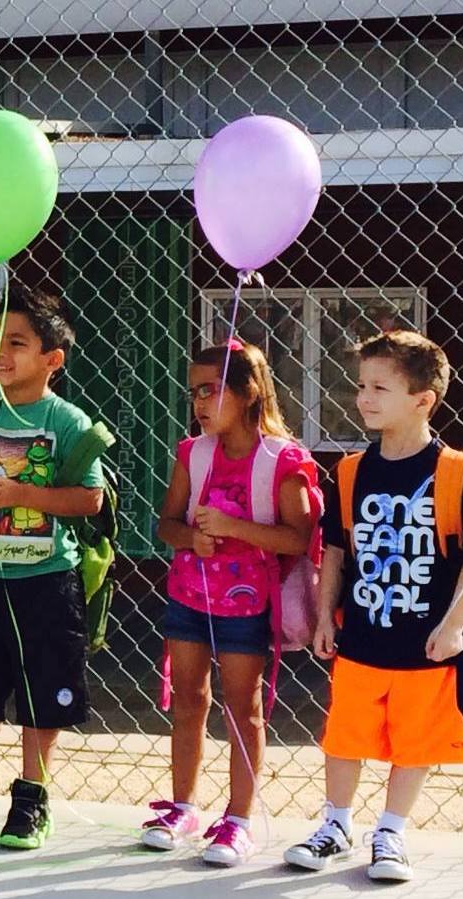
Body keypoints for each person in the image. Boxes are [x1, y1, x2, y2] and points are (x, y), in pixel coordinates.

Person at [284, 331, 463, 884]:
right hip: (364, 636)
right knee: (344, 735)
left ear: (424, 399)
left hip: (427, 641)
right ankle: (335, 824)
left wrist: (452, 628)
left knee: (415, 741)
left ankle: (392, 832)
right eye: (361, 386)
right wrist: (326, 615)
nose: (365, 397)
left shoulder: (454, 471)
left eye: (380, 387)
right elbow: (334, 549)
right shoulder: (352, 471)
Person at [0, 286, 107, 850]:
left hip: (46, 580)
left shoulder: (71, 422)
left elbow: (89, 500)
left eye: (18, 343)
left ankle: (32, 794)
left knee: (42, 689)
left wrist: (19, 492)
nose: (1, 354)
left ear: (52, 359)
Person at [144, 339, 319, 864]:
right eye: (193, 392)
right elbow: (166, 523)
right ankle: (183, 807)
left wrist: (234, 528)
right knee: (190, 700)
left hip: (247, 607)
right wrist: (189, 539)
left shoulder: (282, 462)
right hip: (189, 597)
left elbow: (300, 538)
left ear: (248, 394)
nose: (198, 403)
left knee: (242, 709)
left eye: (209, 390)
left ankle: (238, 818)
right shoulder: (192, 454)